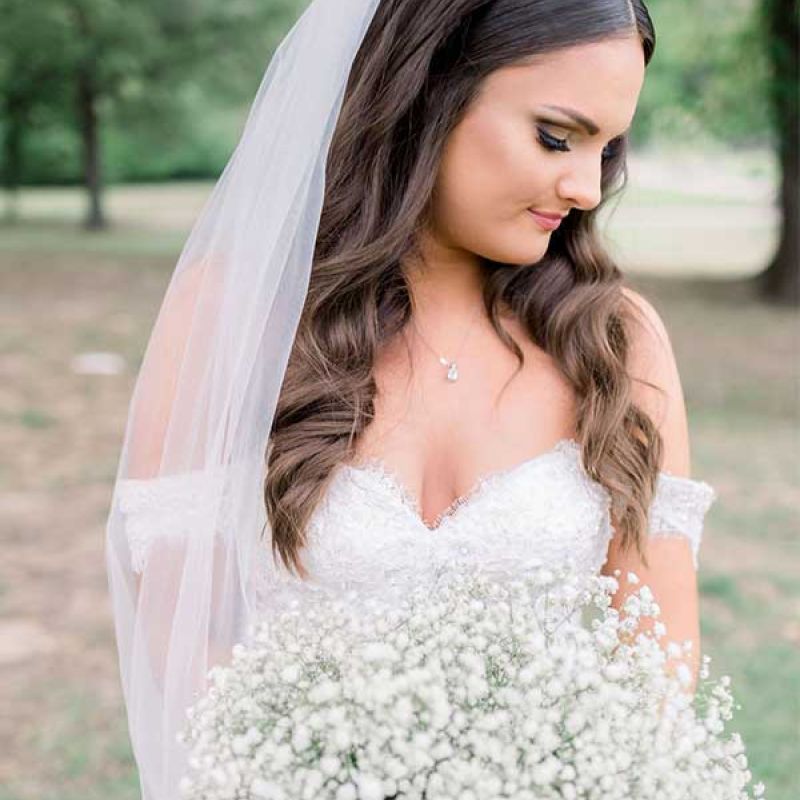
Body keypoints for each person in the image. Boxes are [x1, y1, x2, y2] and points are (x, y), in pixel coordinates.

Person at [106, 1, 717, 798]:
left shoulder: (618, 345)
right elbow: (184, 652)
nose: (584, 186)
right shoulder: (234, 317)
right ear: (429, 90)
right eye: (556, 137)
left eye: (607, 149)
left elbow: (657, 674)